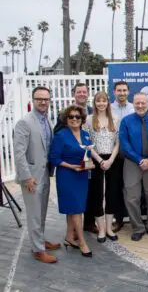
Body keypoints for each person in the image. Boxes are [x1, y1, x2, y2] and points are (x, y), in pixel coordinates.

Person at [13, 86, 61, 264]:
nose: (43, 102)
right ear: (33, 100)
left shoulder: (47, 120)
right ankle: (37, 249)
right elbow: (19, 153)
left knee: (41, 212)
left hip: (44, 174)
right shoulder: (25, 122)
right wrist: (26, 177)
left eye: (46, 99)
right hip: (31, 177)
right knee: (34, 214)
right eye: (39, 99)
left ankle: (39, 241)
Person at [49, 105, 94, 257]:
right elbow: (54, 158)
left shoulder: (86, 135)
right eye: (71, 117)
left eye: (77, 117)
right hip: (67, 175)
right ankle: (82, 241)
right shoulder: (61, 135)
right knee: (76, 209)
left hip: (81, 176)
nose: (74, 119)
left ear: (82, 119)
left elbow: (87, 154)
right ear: (66, 119)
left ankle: (69, 237)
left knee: (74, 208)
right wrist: (71, 166)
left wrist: (90, 164)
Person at [119, 92, 148, 241]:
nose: (140, 105)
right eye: (137, 103)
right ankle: (137, 228)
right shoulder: (126, 121)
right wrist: (138, 160)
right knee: (132, 198)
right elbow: (124, 144)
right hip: (132, 163)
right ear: (133, 103)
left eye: (143, 103)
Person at [85, 91, 120, 243]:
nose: (101, 104)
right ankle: (100, 229)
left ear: (108, 102)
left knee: (112, 194)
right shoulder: (88, 120)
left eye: (104, 101)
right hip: (96, 160)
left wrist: (111, 159)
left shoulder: (115, 119)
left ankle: (109, 228)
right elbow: (87, 144)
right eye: (98, 101)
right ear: (95, 103)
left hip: (112, 159)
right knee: (97, 194)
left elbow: (118, 142)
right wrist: (100, 161)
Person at [109, 81, 134, 233]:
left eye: (124, 90)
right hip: (114, 153)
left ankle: (133, 217)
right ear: (114, 92)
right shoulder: (108, 108)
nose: (122, 93)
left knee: (132, 186)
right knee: (116, 187)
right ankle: (118, 219)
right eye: (119, 90)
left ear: (128, 92)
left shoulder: (133, 107)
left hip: (131, 152)